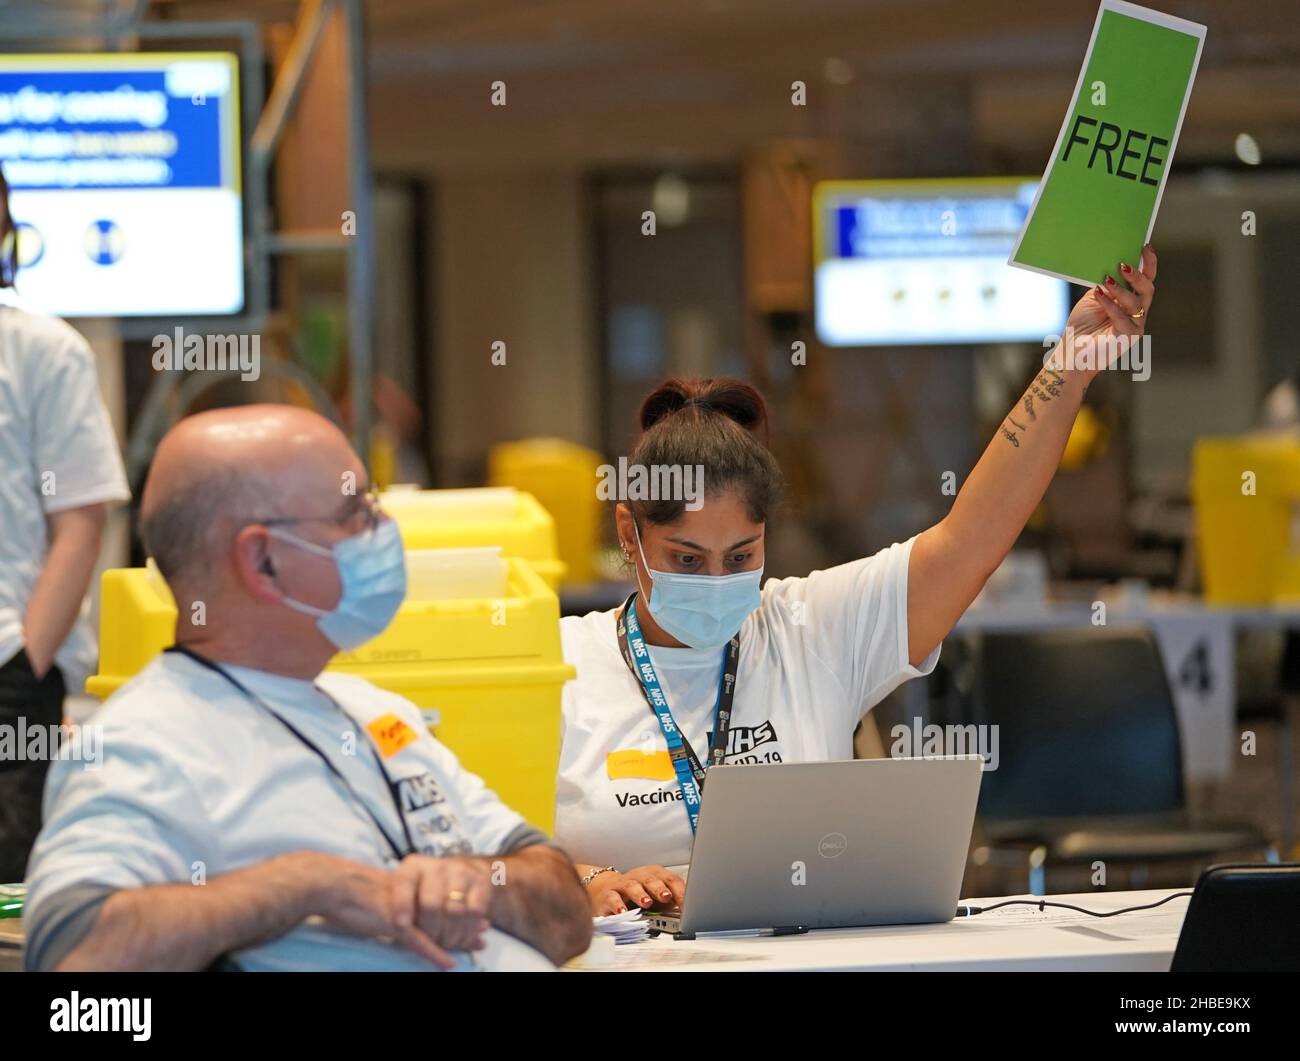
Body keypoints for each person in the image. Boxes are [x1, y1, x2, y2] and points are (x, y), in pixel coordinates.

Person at [558, 249, 1159, 915]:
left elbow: (969, 541)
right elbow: (475, 843)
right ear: (628, 532)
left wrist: (1069, 367)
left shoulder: (813, 629)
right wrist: (581, 879)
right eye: (688, 559)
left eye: (740, 556)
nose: (716, 580)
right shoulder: (558, 666)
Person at [23, 405, 592, 971]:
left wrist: (473, 881)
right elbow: (70, 957)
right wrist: (302, 885)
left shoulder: (376, 713)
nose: (385, 531)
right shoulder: (144, 742)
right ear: (262, 560)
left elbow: (567, 916)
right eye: (354, 513)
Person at [0, 163, 130, 881]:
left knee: (10, 895)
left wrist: (25, 665)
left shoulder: (44, 351)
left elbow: (80, 522)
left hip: (12, 669)